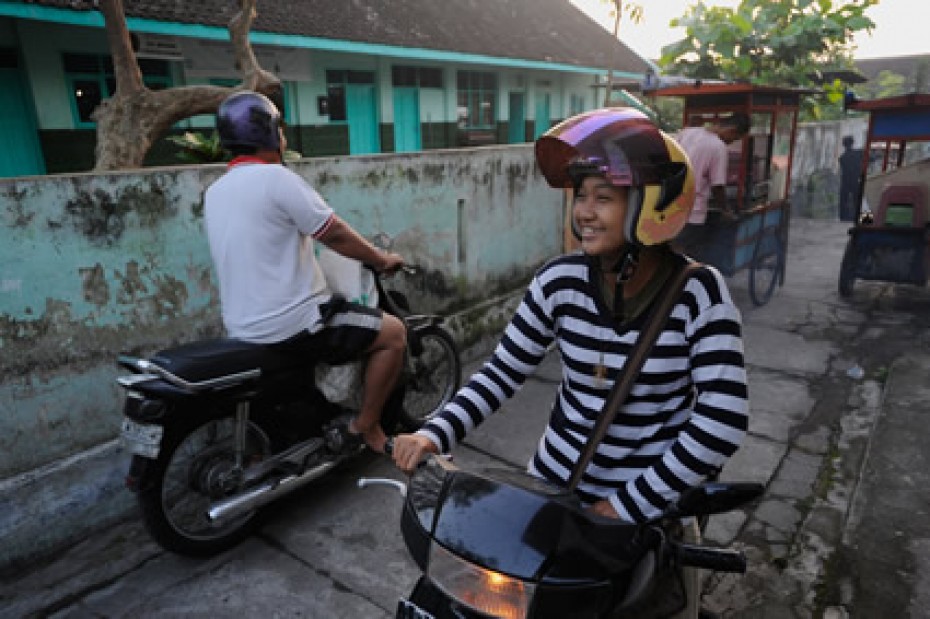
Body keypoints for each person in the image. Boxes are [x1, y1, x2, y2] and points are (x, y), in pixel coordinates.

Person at [391, 108, 749, 615]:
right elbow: (500, 373)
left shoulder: (698, 293)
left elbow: (722, 420)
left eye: (604, 197)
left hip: (643, 514)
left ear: (651, 204)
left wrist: (624, 507)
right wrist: (434, 433)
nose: (584, 211)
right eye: (580, 196)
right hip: (550, 496)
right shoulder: (558, 282)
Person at [203, 90, 406, 453]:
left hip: (242, 328)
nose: (283, 136)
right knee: (394, 333)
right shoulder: (277, 179)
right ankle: (367, 426)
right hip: (293, 325)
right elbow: (335, 233)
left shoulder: (215, 191)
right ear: (267, 133)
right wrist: (379, 258)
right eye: (278, 128)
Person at [673, 113, 751, 253]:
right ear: (732, 130)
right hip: (692, 212)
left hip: (670, 206)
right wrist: (726, 210)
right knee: (684, 253)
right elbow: (718, 186)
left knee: (671, 248)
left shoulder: (687, 132)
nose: (731, 142)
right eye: (735, 138)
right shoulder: (718, 147)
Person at [838, 135, 864, 222]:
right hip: (856, 180)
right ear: (853, 143)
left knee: (843, 200)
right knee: (857, 200)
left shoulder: (842, 158)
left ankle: (843, 217)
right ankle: (856, 217)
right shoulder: (859, 153)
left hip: (845, 180)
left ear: (843, 144)